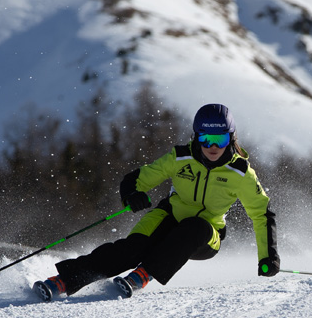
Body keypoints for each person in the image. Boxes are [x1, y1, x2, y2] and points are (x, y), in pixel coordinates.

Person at [34, 103, 279, 300]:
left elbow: (262, 214)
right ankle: (64, 281)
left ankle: (144, 274)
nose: (212, 146)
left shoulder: (241, 172)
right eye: (206, 139)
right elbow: (136, 179)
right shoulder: (180, 157)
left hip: (206, 234)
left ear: (231, 139)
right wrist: (133, 194)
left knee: (195, 226)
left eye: (220, 139)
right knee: (131, 249)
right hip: (168, 217)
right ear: (196, 137)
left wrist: (268, 257)